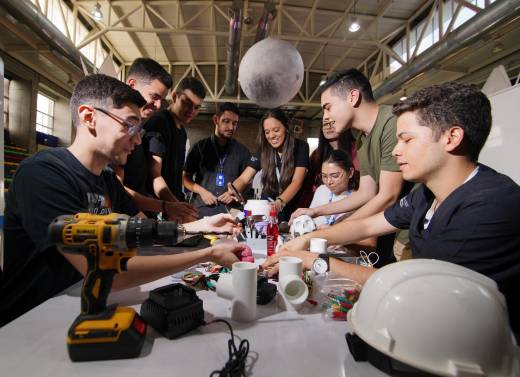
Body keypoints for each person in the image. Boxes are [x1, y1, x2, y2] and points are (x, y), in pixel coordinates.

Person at [265, 82, 520, 339]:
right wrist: (308, 239)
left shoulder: (489, 207)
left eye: (407, 140)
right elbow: (367, 225)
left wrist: (317, 261)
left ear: (451, 138)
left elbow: (420, 290)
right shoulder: (426, 194)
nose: (396, 151)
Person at [0, 74, 246, 327]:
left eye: (139, 128)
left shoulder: (106, 179)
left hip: (80, 310)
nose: (138, 139)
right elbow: (110, 272)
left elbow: (145, 234)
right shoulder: (43, 175)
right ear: (88, 117)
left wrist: (201, 226)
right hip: (28, 323)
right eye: (129, 125)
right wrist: (208, 254)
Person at [290, 69, 409, 266]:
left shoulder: (391, 123)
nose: (325, 117)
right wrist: (317, 212)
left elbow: (388, 196)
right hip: (393, 229)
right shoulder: (362, 139)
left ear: (353, 97)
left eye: (328, 107)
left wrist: (332, 232)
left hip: (410, 232)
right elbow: (366, 193)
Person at [116, 58, 197, 223]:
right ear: (132, 85)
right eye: (154, 96)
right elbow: (116, 189)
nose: (159, 105)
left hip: (141, 219)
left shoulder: (139, 128)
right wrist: (166, 207)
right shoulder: (117, 127)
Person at [228, 108, 309, 222]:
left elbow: (297, 181)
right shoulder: (264, 150)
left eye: (276, 130)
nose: (271, 136)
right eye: (267, 132)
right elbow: (244, 178)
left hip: (291, 207)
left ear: (286, 127)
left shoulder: (300, 147)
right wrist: (232, 190)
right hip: (268, 207)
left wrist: (280, 202)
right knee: (241, 218)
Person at [143, 76, 205, 205]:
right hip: (157, 207)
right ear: (175, 97)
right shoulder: (159, 122)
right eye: (187, 103)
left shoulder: (182, 132)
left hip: (171, 205)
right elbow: (154, 175)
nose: (191, 111)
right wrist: (176, 206)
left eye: (197, 107)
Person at [183, 102, 251, 217]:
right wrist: (202, 191)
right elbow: (185, 178)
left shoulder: (242, 151)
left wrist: (235, 192)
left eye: (235, 123)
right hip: (202, 211)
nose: (231, 127)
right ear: (216, 120)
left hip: (231, 212)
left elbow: (248, 182)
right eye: (226, 121)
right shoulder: (200, 148)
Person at [297, 119, 359, 209]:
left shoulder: (357, 150)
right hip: (322, 202)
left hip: (351, 201)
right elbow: (309, 185)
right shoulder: (317, 154)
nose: (328, 127)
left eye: (332, 123)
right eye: (325, 124)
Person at [309, 149, 355, 228]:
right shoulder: (322, 190)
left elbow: (367, 239)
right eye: (324, 176)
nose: (329, 182)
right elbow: (309, 221)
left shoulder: (359, 198)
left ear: (350, 172)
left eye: (335, 176)